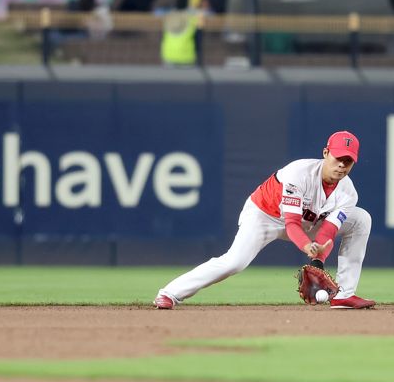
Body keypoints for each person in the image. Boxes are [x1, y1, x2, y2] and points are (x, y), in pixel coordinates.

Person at [154, 130, 375, 310]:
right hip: (264, 215)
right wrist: (308, 246)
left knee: (361, 219)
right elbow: (291, 224)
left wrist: (317, 262)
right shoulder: (299, 173)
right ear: (326, 153)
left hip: (309, 223)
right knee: (234, 262)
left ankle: (344, 295)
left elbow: (327, 232)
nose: (342, 166)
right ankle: (169, 293)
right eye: (338, 158)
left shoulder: (348, 192)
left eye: (349, 161)